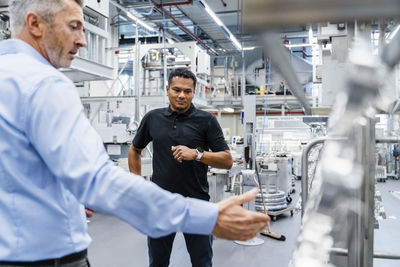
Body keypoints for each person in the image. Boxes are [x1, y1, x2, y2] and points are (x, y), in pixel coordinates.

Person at [0, 0, 270, 266]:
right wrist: (205, 217)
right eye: (74, 26)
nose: (82, 40)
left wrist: (64, 197)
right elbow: (98, 179)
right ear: (34, 23)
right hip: (45, 257)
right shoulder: (44, 84)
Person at [128, 68, 234, 267]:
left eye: (188, 91)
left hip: (196, 204)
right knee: (158, 262)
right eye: (176, 90)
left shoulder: (207, 121)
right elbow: (135, 149)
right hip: (161, 204)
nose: (182, 95)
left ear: (194, 93)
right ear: (167, 89)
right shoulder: (153, 118)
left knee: (202, 263)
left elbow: (227, 160)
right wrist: (136, 182)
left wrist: (197, 154)